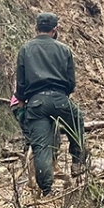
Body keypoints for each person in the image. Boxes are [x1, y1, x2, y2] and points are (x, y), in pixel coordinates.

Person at [16, 12, 86, 196]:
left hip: (36, 103)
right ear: (55, 30)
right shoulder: (64, 49)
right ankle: (77, 162)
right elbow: (71, 82)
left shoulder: (25, 49)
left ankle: (46, 189)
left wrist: (22, 103)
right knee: (77, 119)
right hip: (59, 99)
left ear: (36, 29)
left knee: (41, 146)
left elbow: (21, 84)